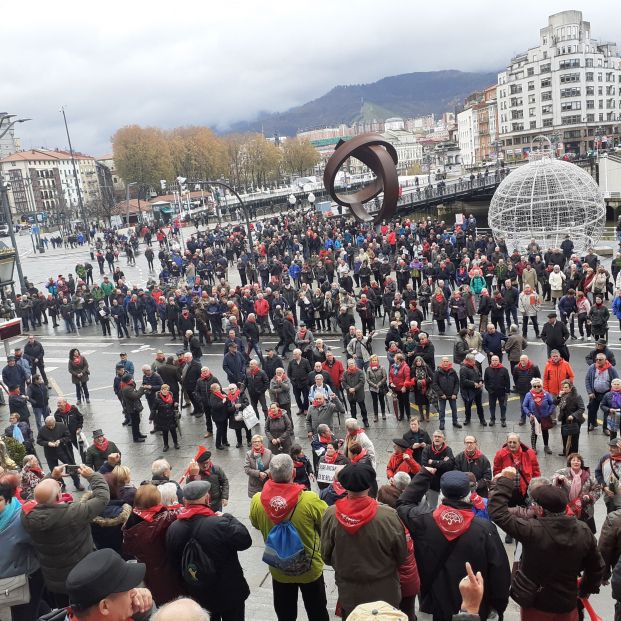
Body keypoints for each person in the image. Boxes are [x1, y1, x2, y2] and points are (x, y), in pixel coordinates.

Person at [488, 466, 604, 621]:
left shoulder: (532, 530)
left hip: (536, 604)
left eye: (534, 504)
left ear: (541, 509)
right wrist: (585, 589)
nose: (532, 506)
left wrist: (506, 480)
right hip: (567, 603)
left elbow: (498, 512)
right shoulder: (583, 530)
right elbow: (596, 566)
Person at [397, 469, 510, 621]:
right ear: (469, 495)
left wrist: (424, 474)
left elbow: (403, 504)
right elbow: (500, 572)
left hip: (437, 602)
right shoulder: (484, 529)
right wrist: (498, 606)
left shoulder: (422, 520)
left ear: (442, 494)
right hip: (475, 603)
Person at [249, 453, 330, 621]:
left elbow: (256, 524)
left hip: (279, 568)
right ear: (293, 473)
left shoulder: (258, 500)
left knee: (285, 613)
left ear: (270, 475)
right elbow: (326, 525)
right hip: (310, 567)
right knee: (317, 611)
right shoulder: (309, 500)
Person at [321, 462, 408, 619]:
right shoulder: (388, 515)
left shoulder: (331, 514)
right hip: (385, 590)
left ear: (344, 485)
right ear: (370, 485)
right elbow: (402, 555)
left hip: (349, 592)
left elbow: (326, 556)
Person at [21, 466, 110, 607]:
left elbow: (36, 498)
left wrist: (52, 477)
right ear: (58, 497)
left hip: (54, 580)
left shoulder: (26, 515)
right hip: (81, 575)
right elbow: (102, 497)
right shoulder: (73, 513)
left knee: (65, 610)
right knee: (89, 608)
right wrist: (93, 476)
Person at [166, 480, 252, 620]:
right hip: (229, 592)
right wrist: (229, 517)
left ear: (184, 501)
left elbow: (174, 562)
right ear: (207, 498)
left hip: (198, 594)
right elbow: (245, 541)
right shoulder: (220, 523)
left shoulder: (174, 528)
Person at [0, 474, 46, 621]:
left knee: (26, 613)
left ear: (7, 499)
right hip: (6, 582)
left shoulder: (22, 518)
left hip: (25, 578)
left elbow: (41, 545)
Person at [61, 548, 154, 621]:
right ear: (104, 606)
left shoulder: (115, 614)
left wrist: (144, 609)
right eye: (126, 587)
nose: (134, 591)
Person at [492, 433, 540, 543]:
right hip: (509, 489)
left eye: (514, 442)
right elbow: (496, 470)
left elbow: (536, 470)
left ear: (519, 443)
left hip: (525, 489)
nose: (512, 444)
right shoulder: (500, 454)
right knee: (509, 511)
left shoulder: (529, 453)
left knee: (526, 510)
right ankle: (510, 532)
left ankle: (524, 530)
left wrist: (536, 486)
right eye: (510, 442)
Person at [553, 453, 601, 533]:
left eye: (578, 461)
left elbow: (597, 489)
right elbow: (553, 481)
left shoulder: (587, 476)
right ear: (570, 462)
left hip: (584, 510)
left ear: (581, 463)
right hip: (566, 509)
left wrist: (589, 497)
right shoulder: (563, 472)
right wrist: (558, 479)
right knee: (568, 533)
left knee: (586, 532)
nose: (576, 462)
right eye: (573, 460)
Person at [36, 416, 83, 491]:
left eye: (52, 425)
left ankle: (77, 483)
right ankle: (61, 485)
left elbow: (68, 436)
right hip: (50, 452)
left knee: (70, 465)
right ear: (46, 424)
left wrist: (60, 441)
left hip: (62, 450)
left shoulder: (61, 426)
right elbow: (39, 441)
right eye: (49, 426)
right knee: (54, 469)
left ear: (55, 422)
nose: (51, 427)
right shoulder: (42, 429)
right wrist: (48, 443)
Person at [585, 351, 619, 433]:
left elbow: (616, 380)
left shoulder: (611, 369)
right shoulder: (592, 367)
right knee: (592, 409)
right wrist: (590, 392)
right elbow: (587, 380)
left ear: (605, 360)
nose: (598, 361)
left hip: (607, 393)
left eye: (600, 359)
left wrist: (613, 393)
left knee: (607, 411)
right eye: (597, 359)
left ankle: (605, 428)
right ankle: (592, 423)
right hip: (595, 393)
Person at [420, 430, 455, 508]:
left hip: (444, 480)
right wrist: (442, 462)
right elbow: (424, 464)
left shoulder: (448, 450)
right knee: (432, 504)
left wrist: (432, 462)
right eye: (435, 436)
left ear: (443, 439)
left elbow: (449, 465)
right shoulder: (427, 449)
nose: (437, 438)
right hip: (432, 481)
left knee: (447, 504)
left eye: (439, 437)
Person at [522, 378, 556, 454]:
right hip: (534, 417)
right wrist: (529, 414)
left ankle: (546, 446)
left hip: (545, 417)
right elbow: (524, 406)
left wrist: (549, 412)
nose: (537, 388)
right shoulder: (528, 395)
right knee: (534, 432)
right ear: (532, 386)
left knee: (545, 431)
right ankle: (533, 448)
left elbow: (552, 404)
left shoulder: (546, 394)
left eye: (538, 386)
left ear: (541, 386)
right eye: (534, 386)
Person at [556, 379, 585, 456]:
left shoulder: (577, 396)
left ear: (571, 387)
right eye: (563, 387)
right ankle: (566, 451)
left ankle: (574, 454)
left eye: (566, 387)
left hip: (574, 420)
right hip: (564, 419)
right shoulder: (562, 395)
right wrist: (559, 396)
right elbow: (554, 403)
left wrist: (573, 415)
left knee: (574, 438)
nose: (564, 389)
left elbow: (581, 408)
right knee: (564, 435)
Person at [433, 356, 461, 430]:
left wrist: (455, 393)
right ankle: (442, 423)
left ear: (449, 362)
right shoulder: (438, 372)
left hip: (452, 395)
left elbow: (457, 383)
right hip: (442, 396)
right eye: (444, 361)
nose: (445, 363)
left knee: (454, 409)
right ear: (441, 362)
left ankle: (455, 422)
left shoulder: (453, 371)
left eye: (447, 361)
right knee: (442, 410)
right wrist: (441, 394)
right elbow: (435, 384)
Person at [512, 354, 541, 425]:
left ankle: (534, 418)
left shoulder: (534, 367)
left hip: (532, 390)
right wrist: (518, 386)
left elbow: (538, 378)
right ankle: (523, 419)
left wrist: (537, 388)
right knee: (523, 405)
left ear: (527, 360)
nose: (522, 362)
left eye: (524, 360)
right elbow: (515, 378)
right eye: (521, 360)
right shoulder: (516, 368)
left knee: (534, 405)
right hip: (522, 390)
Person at [483, 355, 510, 427]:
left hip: (502, 392)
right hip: (492, 392)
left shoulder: (504, 370)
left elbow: (507, 381)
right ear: (491, 361)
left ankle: (503, 420)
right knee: (492, 406)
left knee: (503, 406)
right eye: (493, 360)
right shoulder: (487, 369)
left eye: (496, 360)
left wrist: (507, 391)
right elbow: (486, 381)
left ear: (499, 361)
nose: (494, 362)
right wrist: (489, 390)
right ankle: (492, 419)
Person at [459, 354, 486, 426]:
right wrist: (474, 384)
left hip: (477, 390)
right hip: (468, 391)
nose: (474, 362)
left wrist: (480, 381)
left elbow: (479, 375)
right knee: (468, 406)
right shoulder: (463, 369)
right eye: (473, 360)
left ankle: (482, 419)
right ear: (468, 361)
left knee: (479, 405)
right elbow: (464, 381)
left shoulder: (474, 366)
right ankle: (467, 419)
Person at [595, 439, 621, 514]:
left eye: (613, 447)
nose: (610, 449)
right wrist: (604, 487)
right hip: (609, 499)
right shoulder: (605, 457)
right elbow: (598, 472)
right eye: (610, 446)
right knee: (611, 519)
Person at [120, 374, 147, 443]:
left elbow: (136, 393)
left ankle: (138, 434)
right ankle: (136, 438)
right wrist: (142, 388)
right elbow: (136, 396)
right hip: (132, 408)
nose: (132, 379)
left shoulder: (129, 386)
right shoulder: (127, 388)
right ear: (128, 380)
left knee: (137, 421)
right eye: (131, 378)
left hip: (134, 407)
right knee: (135, 423)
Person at [207, 382, 235, 450]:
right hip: (218, 417)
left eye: (219, 388)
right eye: (218, 388)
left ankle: (225, 441)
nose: (219, 389)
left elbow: (227, 399)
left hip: (224, 415)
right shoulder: (213, 396)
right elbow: (215, 406)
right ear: (214, 390)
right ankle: (218, 444)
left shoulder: (220, 394)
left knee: (224, 429)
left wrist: (226, 398)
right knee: (219, 430)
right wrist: (223, 401)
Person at [342, 358, 369, 426]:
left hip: (359, 394)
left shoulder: (360, 371)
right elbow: (344, 382)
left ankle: (365, 420)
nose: (351, 365)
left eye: (352, 363)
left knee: (363, 408)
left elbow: (362, 382)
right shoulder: (345, 373)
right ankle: (354, 422)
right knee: (353, 410)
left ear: (355, 364)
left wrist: (354, 388)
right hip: (350, 394)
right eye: (349, 364)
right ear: (348, 365)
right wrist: (349, 388)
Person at [153, 384, 179, 451]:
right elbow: (154, 408)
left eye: (167, 390)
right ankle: (166, 445)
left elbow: (173, 405)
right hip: (162, 418)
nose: (165, 391)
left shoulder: (170, 396)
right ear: (161, 390)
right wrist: (151, 418)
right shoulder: (157, 398)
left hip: (171, 417)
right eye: (163, 389)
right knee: (165, 432)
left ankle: (176, 443)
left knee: (173, 431)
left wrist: (175, 404)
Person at [287, 349, 311, 416]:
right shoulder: (291, 362)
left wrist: (307, 381)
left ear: (299, 354)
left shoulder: (305, 361)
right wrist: (292, 381)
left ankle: (306, 409)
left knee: (306, 397)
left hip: (304, 383)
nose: (293, 355)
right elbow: (289, 373)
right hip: (295, 384)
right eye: (293, 354)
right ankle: (300, 408)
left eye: (295, 354)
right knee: (297, 397)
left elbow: (309, 372)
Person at [410, 355, 433, 422]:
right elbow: (412, 377)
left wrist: (425, 381)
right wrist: (417, 380)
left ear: (422, 361)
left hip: (426, 387)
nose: (418, 362)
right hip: (418, 389)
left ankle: (427, 416)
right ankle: (422, 416)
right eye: (417, 361)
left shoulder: (426, 367)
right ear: (415, 362)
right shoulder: (413, 368)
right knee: (419, 403)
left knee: (427, 403)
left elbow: (431, 376)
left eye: (419, 361)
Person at [389, 353, 411, 422]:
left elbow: (407, 378)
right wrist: (391, 382)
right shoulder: (393, 366)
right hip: (397, 388)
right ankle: (401, 415)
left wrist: (404, 386)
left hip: (403, 389)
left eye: (395, 358)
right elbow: (390, 376)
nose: (394, 359)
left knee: (406, 402)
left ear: (398, 359)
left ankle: (408, 415)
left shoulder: (405, 367)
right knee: (400, 402)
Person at [367, 354, 388, 421]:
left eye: (375, 360)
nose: (374, 361)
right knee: (375, 401)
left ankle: (383, 413)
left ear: (378, 361)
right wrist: (374, 385)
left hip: (381, 387)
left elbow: (385, 377)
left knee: (382, 400)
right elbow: (368, 379)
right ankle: (376, 415)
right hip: (373, 388)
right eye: (373, 360)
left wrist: (378, 384)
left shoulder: (382, 368)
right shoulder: (368, 369)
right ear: (371, 361)